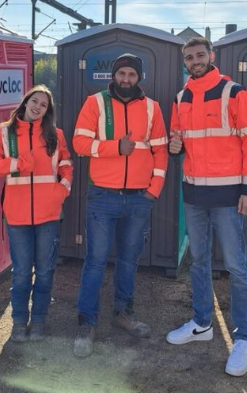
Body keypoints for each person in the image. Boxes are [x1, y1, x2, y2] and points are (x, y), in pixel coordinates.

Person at [166, 37, 247, 377]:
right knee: (198, 261)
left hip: (228, 195)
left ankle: (244, 338)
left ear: (211, 56)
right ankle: (202, 323)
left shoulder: (234, 92)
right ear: (185, 62)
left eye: (199, 55)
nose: (195, 61)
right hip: (193, 194)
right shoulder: (180, 98)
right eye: (189, 57)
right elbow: (179, 144)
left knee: (237, 268)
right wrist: (174, 146)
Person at [72, 53, 169, 358]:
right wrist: (116, 148)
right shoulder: (95, 103)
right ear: (113, 75)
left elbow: (161, 152)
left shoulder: (152, 108)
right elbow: (79, 143)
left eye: (131, 74)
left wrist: (154, 190)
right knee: (96, 262)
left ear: (139, 77)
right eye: (121, 74)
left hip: (139, 198)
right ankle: (87, 323)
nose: (126, 79)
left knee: (128, 261)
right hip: (103, 196)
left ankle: (122, 314)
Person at [0, 84, 73, 342]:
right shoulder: (2, 132)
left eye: (43, 105)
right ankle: (20, 322)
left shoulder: (55, 134)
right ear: (25, 102)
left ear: (48, 110)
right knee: (22, 272)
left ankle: (40, 320)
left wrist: (62, 190)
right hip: (17, 215)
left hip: (49, 215)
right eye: (35, 101)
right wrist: (19, 164)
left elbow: (66, 164)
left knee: (45, 271)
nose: (38, 107)